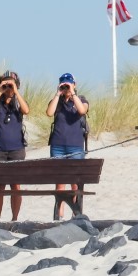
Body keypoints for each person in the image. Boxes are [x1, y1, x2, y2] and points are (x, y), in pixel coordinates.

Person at [0, 70, 28, 219]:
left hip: (17, 149)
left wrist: (15, 91)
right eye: (6, 84)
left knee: (15, 185)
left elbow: (26, 110)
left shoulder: (18, 101)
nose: (8, 88)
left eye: (11, 84)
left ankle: (15, 217)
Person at [45, 72, 90, 212]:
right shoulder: (56, 101)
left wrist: (72, 93)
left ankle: (76, 213)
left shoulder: (81, 99)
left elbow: (82, 110)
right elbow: (49, 112)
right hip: (58, 146)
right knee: (60, 183)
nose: (66, 87)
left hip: (75, 146)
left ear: (74, 84)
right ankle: (59, 215)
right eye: (63, 84)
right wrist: (58, 94)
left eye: (68, 84)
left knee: (75, 183)